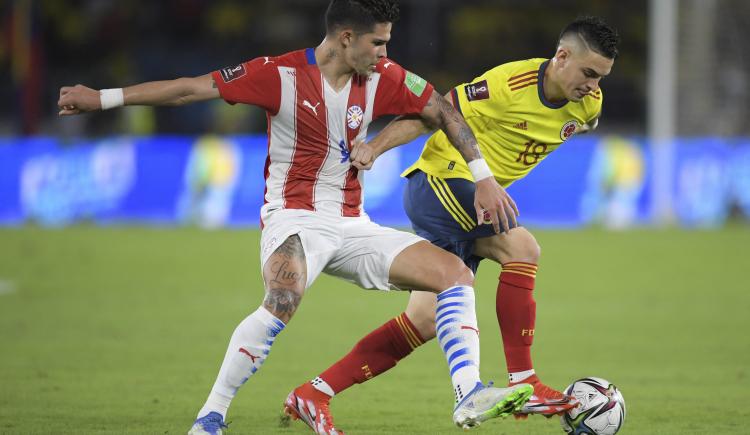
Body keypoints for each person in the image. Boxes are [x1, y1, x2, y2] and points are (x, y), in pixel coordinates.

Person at [57, 1, 533, 434]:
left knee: (453, 274)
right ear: (346, 37)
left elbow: (441, 111)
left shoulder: (383, 77)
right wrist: (103, 98)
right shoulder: (277, 74)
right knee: (282, 299)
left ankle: (468, 394)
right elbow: (188, 90)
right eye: (378, 42)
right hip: (293, 217)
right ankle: (210, 417)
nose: (385, 52)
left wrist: (482, 176)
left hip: (351, 222)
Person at [290, 15, 619, 427]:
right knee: (522, 247)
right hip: (440, 182)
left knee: (424, 320)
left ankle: (313, 393)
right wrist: (376, 146)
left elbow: (581, 123)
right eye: (588, 73)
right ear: (562, 56)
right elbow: (433, 112)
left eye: (601, 77)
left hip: (468, 205)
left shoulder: (589, 105)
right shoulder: (507, 84)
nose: (593, 85)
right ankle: (526, 380)